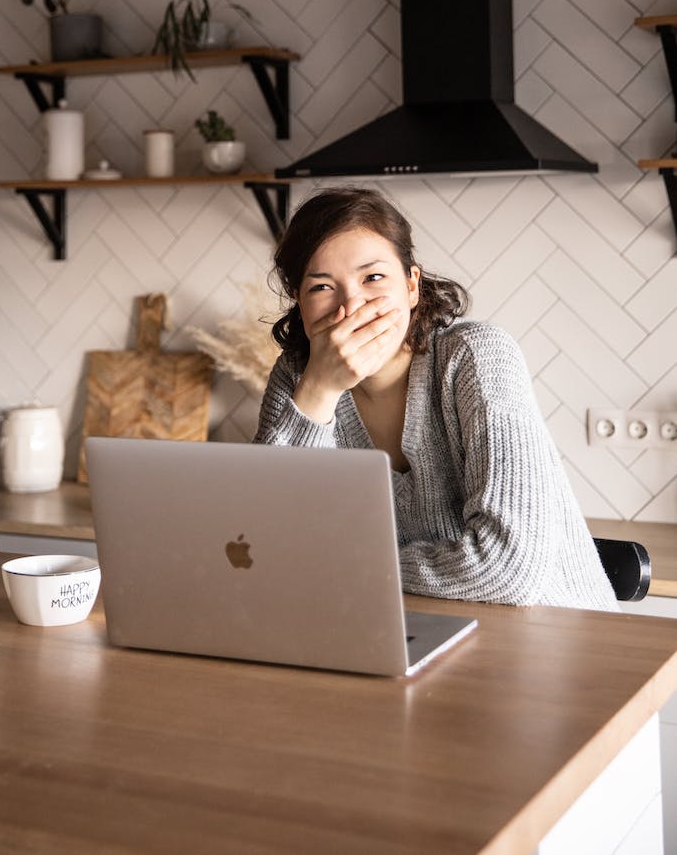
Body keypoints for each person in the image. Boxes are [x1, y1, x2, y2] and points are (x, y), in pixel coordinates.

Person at [254, 187, 618, 611]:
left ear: (411, 286)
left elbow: (507, 568)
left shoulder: (475, 357)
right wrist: (320, 391)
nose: (351, 307)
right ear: (299, 301)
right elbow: (268, 542)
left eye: (373, 278)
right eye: (321, 286)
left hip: (559, 641)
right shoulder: (299, 379)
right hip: (406, 629)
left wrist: (343, 568)